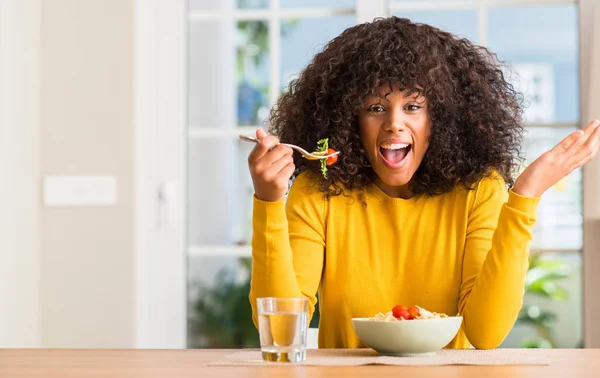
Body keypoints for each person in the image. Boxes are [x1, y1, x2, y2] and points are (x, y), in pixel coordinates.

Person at [245, 16, 600, 349]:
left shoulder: (478, 190)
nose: (394, 124)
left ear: (441, 118)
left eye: (412, 107)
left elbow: (485, 333)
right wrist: (268, 203)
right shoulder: (319, 192)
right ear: (350, 121)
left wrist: (525, 195)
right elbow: (277, 331)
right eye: (375, 108)